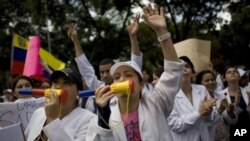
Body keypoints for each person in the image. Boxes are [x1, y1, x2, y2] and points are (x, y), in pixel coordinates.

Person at [85, 4, 184, 141]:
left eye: (129, 74)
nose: (122, 79)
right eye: (117, 77)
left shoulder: (157, 102)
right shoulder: (105, 112)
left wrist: (162, 33)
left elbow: (173, 71)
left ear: (141, 84)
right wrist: (102, 113)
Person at [68, 14, 143, 112]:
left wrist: (133, 37)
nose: (105, 75)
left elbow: (135, 63)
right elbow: (85, 69)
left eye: (108, 71)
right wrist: (75, 41)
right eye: (102, 72)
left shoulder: (128, 84)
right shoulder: (100, 88)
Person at [25, 68, 96, 141]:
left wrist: (52, 120)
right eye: (56, 82)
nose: (58, 87)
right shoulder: (38, 113)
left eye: (66, 83)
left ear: (78, 92)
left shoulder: (89, 119)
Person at [167, 56, 216, 141]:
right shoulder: (170, 94)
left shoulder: (202, 89)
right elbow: (174, 124)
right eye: (180, 66)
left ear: (192, 72)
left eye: (187, 66)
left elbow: (212, 118)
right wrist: (198, 113)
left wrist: (209, 112)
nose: (184, 69)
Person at [195, 70, 237, 141]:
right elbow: (203, 123)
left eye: (212, 79)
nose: (210, 82)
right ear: (200, 84)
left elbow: (232, 121)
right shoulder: (198, 100)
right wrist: (219, 110)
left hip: (225, 136)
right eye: (207, 80)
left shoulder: (221, 96)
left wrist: (231, 112)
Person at [218, 66, 250, 139]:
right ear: (224, 78)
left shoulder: (248, 92)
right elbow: (225, 119)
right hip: (231, 132)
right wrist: (235, 107)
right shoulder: (220, 95)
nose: (232, 73)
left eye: (235, 71)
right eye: (229, 72)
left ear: (239, 77)